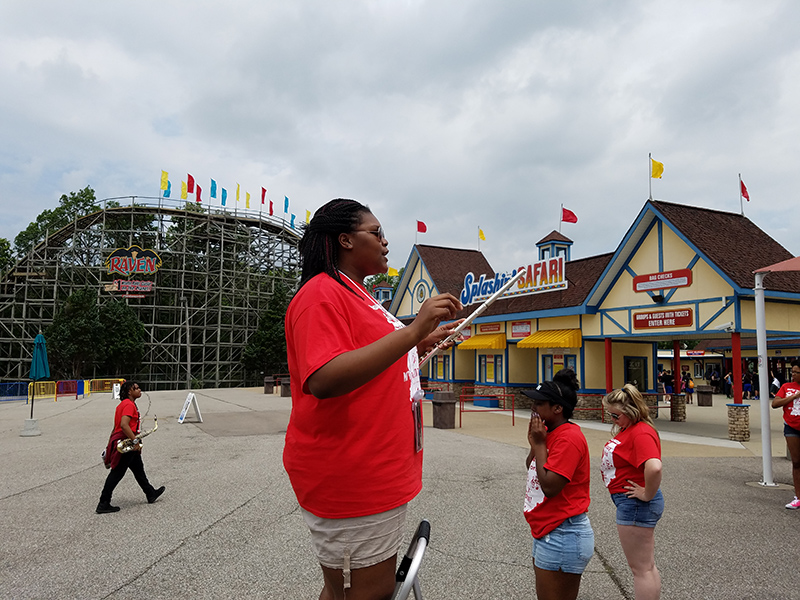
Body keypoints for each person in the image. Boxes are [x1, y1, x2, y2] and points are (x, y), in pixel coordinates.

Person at [283, 198, 462, 600]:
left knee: (347, 591)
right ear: (344, 240)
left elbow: (371, 357)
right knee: (363, 593)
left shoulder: (358, 295)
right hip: (352, 476)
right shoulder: (320, 295)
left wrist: (420, 342)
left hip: (372, 472)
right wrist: (413, 331)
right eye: (376, 232)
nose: (385, 241)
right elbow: (324, 377)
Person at [523, 369, 594, 600]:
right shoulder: (550, 432)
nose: (533, 408)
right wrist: (536, 443)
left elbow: (551, 487)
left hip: (564, 532)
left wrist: (541, 444)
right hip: (549, 531)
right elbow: (533, 468)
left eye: (539, 403)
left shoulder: (569, 438)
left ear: (558, 408)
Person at [601, 384, 664, 600]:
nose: (612, 419)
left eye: (615, 415)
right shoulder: (633, 429)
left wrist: (647, 493)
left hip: (636, 504)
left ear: (630, 412)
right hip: (632, 502)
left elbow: (654, 466)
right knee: (646, 566)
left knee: (641, 569)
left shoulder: (641, 433)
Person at [96, 381, 165, 514]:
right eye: (136, 388)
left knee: (139, 469)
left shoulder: (121, 405)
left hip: (124, 441)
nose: (140, 390)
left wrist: (110, 444)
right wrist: (134, 442)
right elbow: (124, 425)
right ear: (129, 391)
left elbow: (114, 427)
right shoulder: (128, 405)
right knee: (117, 473)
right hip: (127, 442)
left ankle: (150, 493)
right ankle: (103, 503)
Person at [771, 360, 800, 509]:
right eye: (792, 372)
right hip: (791, 427)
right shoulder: (786, 387)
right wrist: (793, 397)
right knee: (796, 462)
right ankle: (798, 496)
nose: (793, 375)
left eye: (796, 372)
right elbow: (775, 403)